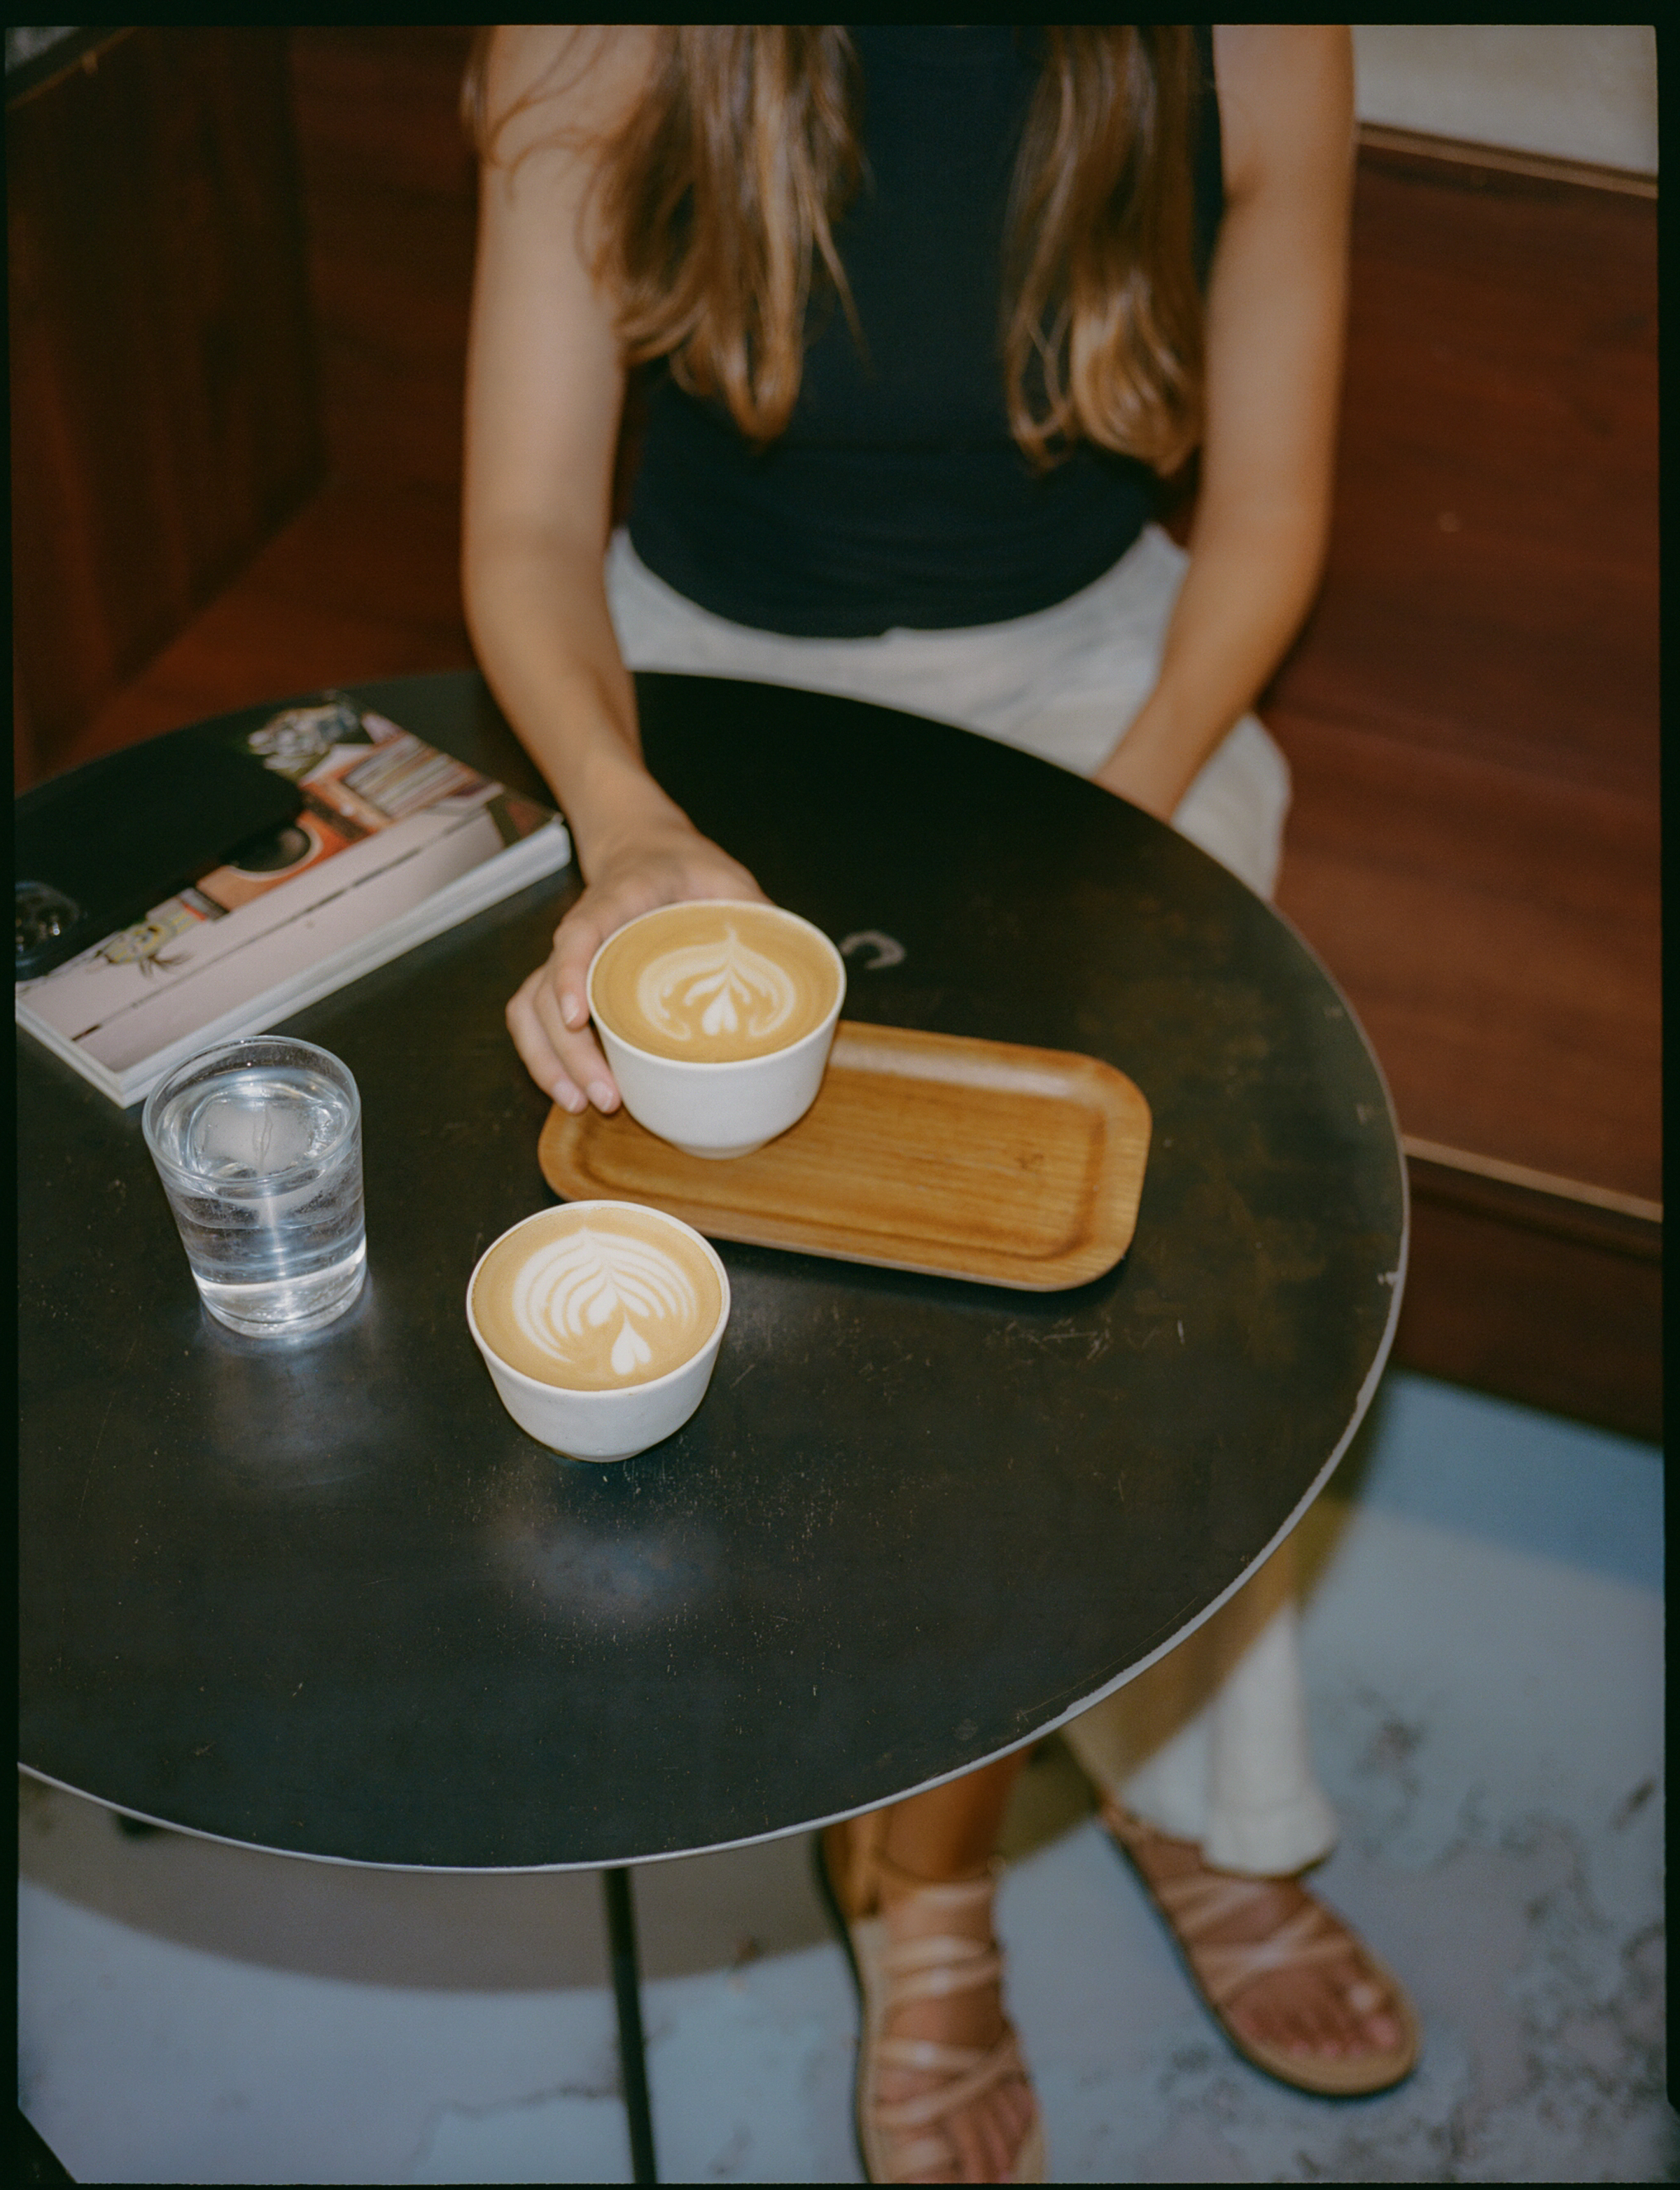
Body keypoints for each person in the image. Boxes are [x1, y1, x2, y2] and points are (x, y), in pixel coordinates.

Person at [461, 25, 1418, 2183]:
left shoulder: (1260, 36)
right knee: (809, 1244)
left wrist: (1122, 826)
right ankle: (967, 1849)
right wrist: (619, 827)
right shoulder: (596, 31)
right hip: (687, 700)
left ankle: (1141, 1808)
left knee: (1186, 1236)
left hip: (1112, 691)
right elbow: (524, 523)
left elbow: (1265, 516)